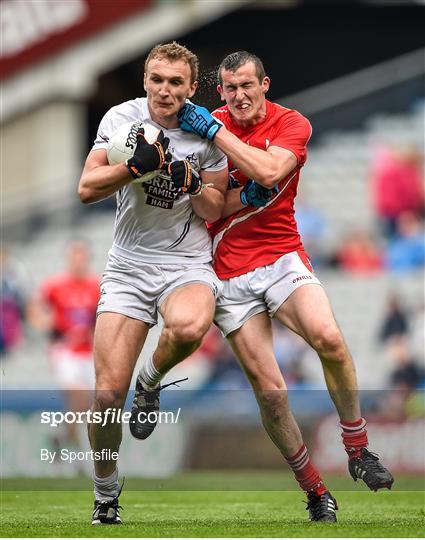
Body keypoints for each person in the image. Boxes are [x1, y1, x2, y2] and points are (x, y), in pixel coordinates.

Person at [174, 51, 394, 522]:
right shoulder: (204, 126)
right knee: (271, 393)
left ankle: (358, 449)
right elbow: (206, 208)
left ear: (265, 84)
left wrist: (216, 135)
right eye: (230, 89)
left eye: (247, 86)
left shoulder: (291, 123)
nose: (239, 96)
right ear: (221, 92)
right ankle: (315, 491)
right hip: (227, 271)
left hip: (280, 256)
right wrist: (233, 191)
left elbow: (271, 174)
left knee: (330, 339)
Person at [78, 42, 228, 525]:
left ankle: (151, 381)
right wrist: (134, 168)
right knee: (104, 396)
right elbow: (86, 189)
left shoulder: (205, 132)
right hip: (128, 266)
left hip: (186, 263)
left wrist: (191, 183)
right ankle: (105, 494)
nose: (165, 90)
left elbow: (215, 208)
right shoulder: (120, 119)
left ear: (190, 88)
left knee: (187, 329)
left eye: (175, 82)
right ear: (145, 79)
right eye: (157, 79)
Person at [27, 240, 99, 452]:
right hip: (65, 352)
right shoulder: (56, 285)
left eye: (81, 257)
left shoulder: (95, 286)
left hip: (87, 351)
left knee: (86, 406)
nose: (78, 261)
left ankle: (64, 440)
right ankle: (76, 451)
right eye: (74, 257)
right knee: (80, 395)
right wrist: (46, 327)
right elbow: (34, 308)